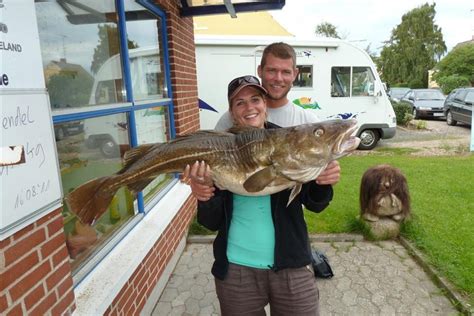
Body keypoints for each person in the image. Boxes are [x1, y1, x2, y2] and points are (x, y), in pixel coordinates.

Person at [184, 75, 334, 315]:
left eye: (255, 99)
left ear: (265, 105)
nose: (249, 107)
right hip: (236, 271)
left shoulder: (290, 140)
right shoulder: (218, 148)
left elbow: (315, 204)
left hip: (291, 267)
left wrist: (322, 182)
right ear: (233, 113)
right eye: (240, 103)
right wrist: (204, 192)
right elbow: (209, 222)